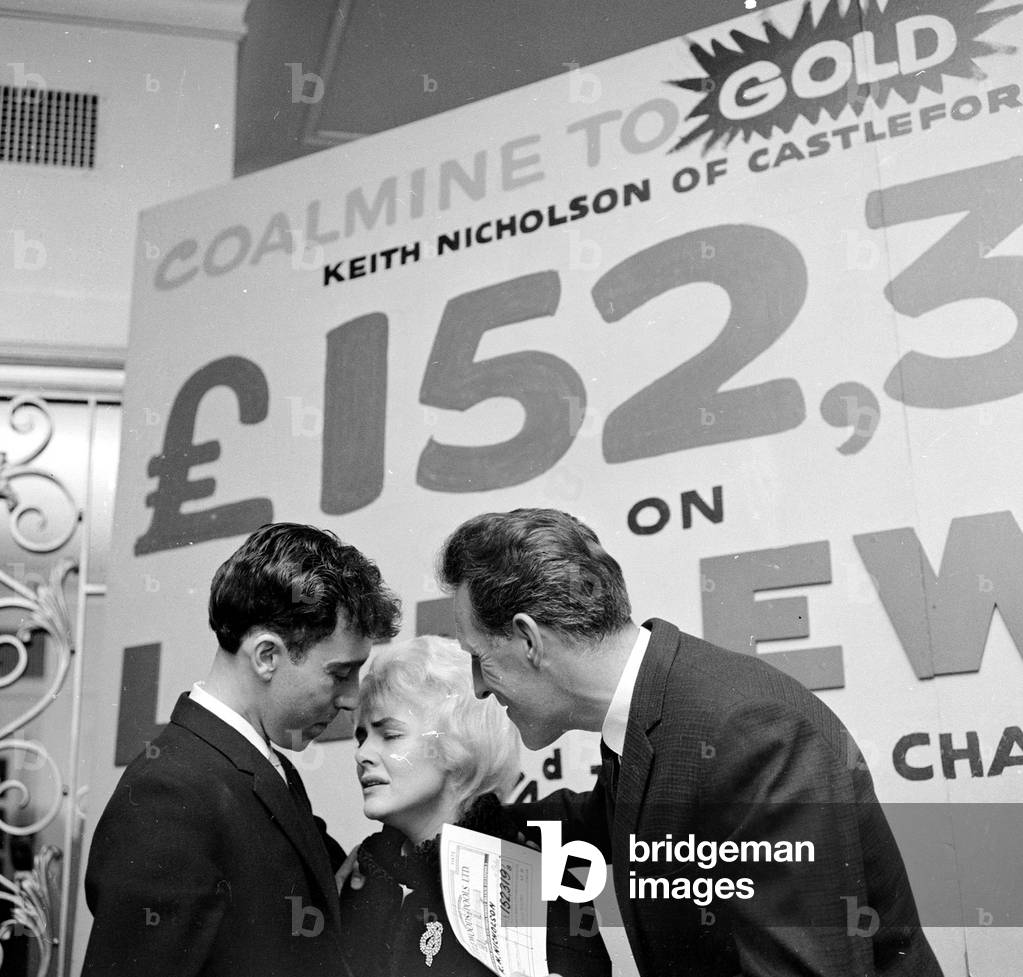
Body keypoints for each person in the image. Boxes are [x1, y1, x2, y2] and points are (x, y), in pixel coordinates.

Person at [439, 507, 944, 977]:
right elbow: (605, 820)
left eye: (478, 656)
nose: (479, 686)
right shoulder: (655, 709)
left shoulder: (750, 736)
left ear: (529, 640)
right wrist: (450, 820)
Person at [82, 523, 400, 977]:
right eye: (339, 673)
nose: (352, 698)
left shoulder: (262, 767)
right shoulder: (169, 793)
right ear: (267, 655)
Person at [338, 635, 611, 977]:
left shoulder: (525, 871)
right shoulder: (360, 876)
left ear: (458, 742)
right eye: (361, 737)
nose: (362, 755)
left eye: (390, 735)